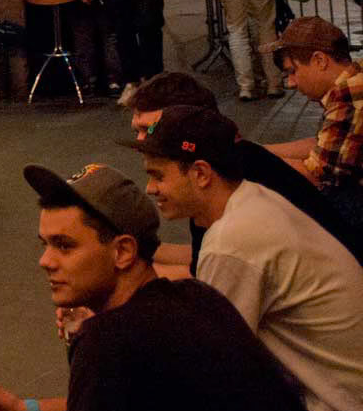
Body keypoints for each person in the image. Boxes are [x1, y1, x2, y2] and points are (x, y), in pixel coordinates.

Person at [0, 162, 344, 411]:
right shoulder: (193, 296)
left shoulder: (110, 339)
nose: (45, 261)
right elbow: (109, 408)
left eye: (64, 245)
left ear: (122, 252)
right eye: (44, 244)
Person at [131, 104, 363, 411]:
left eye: (158, 176)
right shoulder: (252, 199)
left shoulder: (232, 241)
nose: (150, 188)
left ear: (201, 173)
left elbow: (210, 369)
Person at [125, 72, 363, 270]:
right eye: (137, 131)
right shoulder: (232, 159)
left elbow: (208, 281)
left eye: (149, 130)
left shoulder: (234, 179)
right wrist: (143, 249)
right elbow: (203, 259)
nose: (139, 142)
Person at [270, 16, 363, 226]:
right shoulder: (355, 75)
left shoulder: (348, 93)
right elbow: (322, 146)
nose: (291, 83)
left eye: (292, 72)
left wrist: (246, 159)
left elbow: (318, 173)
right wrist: (257, 149)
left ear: (320, 60)